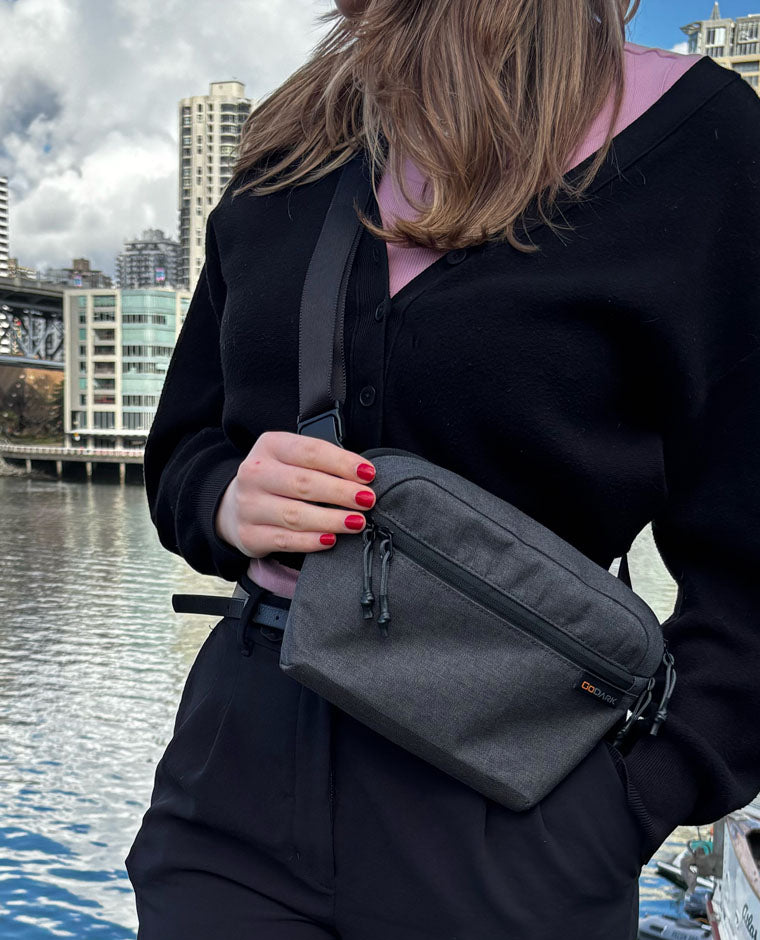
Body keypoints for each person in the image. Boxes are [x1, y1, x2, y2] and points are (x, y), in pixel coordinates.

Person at [125, 1, 760, 937]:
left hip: (519, 792)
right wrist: (222, 501)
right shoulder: (291, 147)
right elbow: (186, 448)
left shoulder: (704, 139)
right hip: (240, 771)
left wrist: (630, 800)